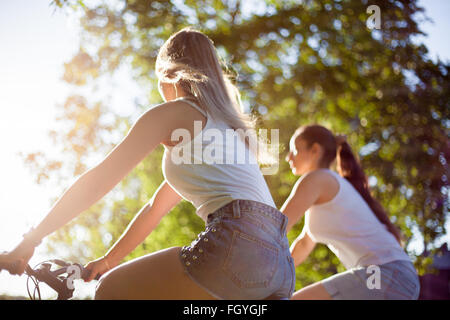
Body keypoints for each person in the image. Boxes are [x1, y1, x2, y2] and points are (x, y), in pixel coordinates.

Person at [1, 27, 295, 300]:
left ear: (169, 75)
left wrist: (32, 239)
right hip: (281, 263)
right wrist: (109, 259)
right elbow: (155, 207)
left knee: (111, 291)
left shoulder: (176, 113)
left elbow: (100, 179)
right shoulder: (229, 131)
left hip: (236, 247)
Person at [280, 124, 420, 300]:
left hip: (384, 274)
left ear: (315, 150)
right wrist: (275, 273)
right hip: (396, 276)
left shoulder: (318, 178)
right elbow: (304, 244)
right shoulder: (326, 187)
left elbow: (277, 226)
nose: (288, 157)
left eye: (294, 150)